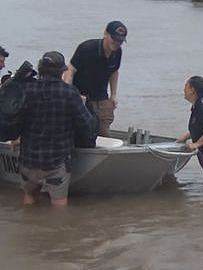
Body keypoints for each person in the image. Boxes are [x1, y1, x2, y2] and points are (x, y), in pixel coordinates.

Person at [17, 51, 96, 208]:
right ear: (62, 71)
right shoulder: (69, 93)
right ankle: (58, 231)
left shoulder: (26, 90)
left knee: (29, 198)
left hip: (28, 158)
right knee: (59, 205)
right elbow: (87, 125)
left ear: (40, 69)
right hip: (57, 162)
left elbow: (16, 120)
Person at [63, 20, 127, 136]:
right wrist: (69, 93)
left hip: (102, 98)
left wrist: (113, 95)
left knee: (104, 134)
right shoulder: (87, 48)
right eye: (114, 39)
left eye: (120, 41)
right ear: (105, 34)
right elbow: (70, 69)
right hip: (81, 97)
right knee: (81, 132)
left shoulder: (117, 52)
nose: (117, 43)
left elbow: (114, 72)